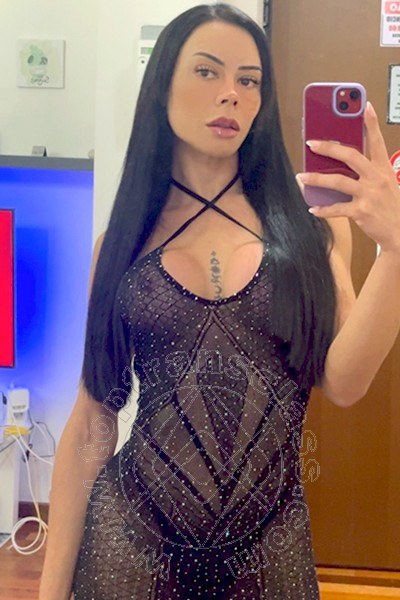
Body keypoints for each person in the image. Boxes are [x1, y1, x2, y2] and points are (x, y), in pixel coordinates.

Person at [39, 3, 400, 599]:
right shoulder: (121, 242)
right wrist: (51, 593)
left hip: (271, 548)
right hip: (131, 543)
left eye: (249, 80)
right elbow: (92, 420)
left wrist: (395, 249)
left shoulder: (311, 227)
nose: (231, 93)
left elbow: (344, 382)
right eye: (207, 71)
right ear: (163, 86)